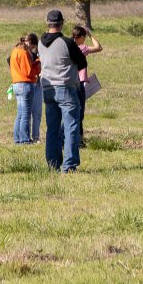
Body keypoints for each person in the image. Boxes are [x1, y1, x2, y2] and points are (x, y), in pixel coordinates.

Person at [38, 10, 87, 172]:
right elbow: (82, 62)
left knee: (52, 128)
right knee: (71, 126)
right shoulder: (66, 42)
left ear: (47, 22)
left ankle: (53, 164)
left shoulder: (40, 42)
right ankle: (69, 165)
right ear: (62, 23)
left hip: (47, 89)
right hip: (65, 88)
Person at [71, 25, 102, 148]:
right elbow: (98, 47)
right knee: (79, 113)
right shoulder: (81, 48)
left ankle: (76, 139)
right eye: (84, 37)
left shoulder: (67, 46)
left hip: (69, 83)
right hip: (80, 83)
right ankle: (78, 139)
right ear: (81, 37)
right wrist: (90, 35)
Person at [9, 32, 42, 144]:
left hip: (16, 84)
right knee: (26, 114)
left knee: (20, 114)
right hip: (25, 84)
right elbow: (28, 71)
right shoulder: (23, 53)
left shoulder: (14, 51)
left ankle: (17, 138)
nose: (31, 50)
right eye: (32, 47)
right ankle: (25, 139)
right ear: (28, 43)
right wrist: (37, 64)